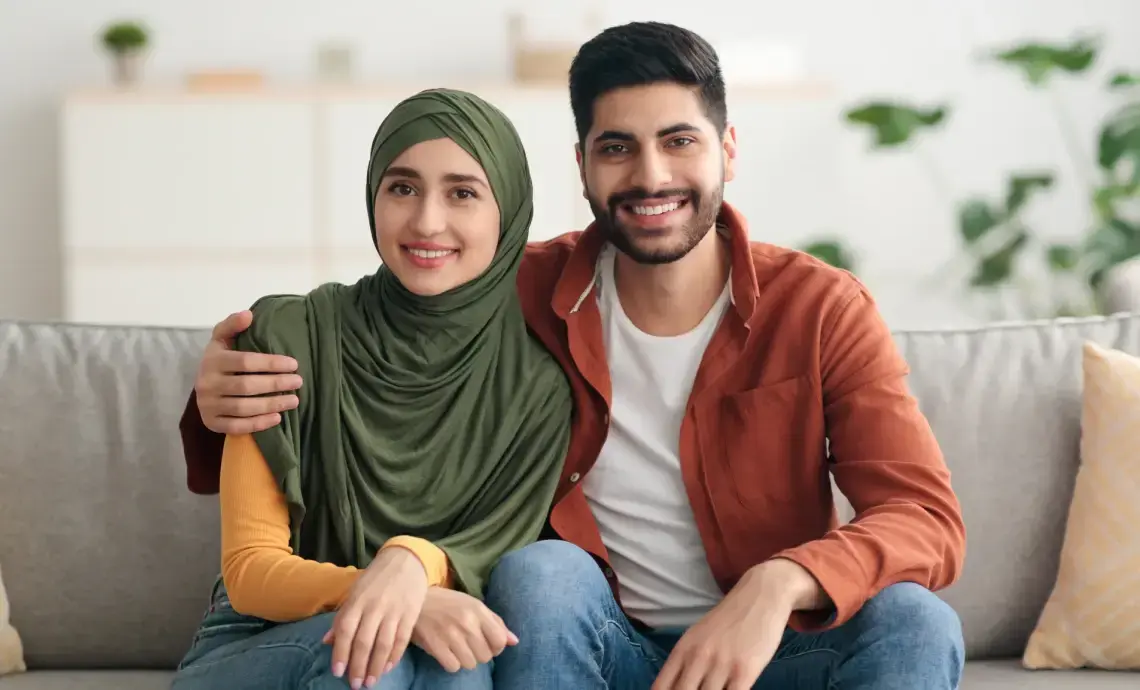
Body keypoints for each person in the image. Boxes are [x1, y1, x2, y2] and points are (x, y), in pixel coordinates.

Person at [180, 22, 968, 690]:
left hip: (771, 643)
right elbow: (386, 316)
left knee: (916, 622)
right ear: (583, 165)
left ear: (728, 148)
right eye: (618, 147)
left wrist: (780, 581)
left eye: (679, 141)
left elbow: (926, 519)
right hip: (599, 641)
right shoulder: (515, 290)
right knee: (540, 575)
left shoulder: (822, 308)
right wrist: (217, 389)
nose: (651, 174)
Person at [171, 88, 573, 690]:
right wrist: (390, 594)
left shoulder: (539, 385)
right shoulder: (287, 336)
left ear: (507, 211)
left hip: (426, 644)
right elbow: (251, 571)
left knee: (455, 668)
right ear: (373, 197)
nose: (426, 221)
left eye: (462, 193)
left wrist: (411, 566)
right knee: (374, 661)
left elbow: (489, 547)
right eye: (402, 188)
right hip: (261, 641)